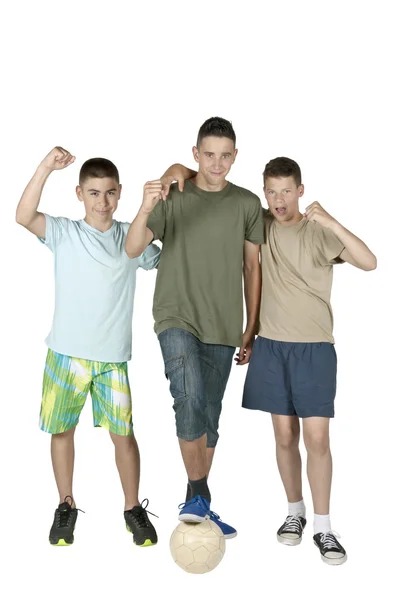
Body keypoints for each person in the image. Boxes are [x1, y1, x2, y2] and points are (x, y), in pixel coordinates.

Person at [125, 117, 264, 538]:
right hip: (175, 314)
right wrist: (147, 203)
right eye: (209, 155)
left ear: (235, 156)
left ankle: (197, 500)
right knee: (187, 394)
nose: (217, 163)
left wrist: (251, 326)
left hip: (223, 324)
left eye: (225, 155)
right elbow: (133, 248)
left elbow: (252, 266)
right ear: (195, 155)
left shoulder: (247, 203)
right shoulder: (175, 195)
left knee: (209, 416)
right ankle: (201, 493)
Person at [16, 147, 163, 547]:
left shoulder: (131, 238)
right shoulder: (65, 232)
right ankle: (65, 505)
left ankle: (133, 508)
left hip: (112, 359)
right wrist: (45, 167)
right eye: (94, 193)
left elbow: (166, 259)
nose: (103, 201)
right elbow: (23, 216)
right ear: (80, 194)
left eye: (110, 193)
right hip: (65, 354)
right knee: (62, 431)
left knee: (124, 435)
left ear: (120, 193)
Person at [242, 157, 377, 565]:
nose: (278, 199)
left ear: (300, 190)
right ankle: (294, 513)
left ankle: (323, 526)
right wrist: (248, 335)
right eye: (271, 190)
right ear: (264, 191)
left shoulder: (317, 230)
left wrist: (333, 222)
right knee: (284, 437)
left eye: (286, 190)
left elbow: (370, 262)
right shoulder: (259, 223)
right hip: (271, 345)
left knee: (318, 440)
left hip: (315, 348)